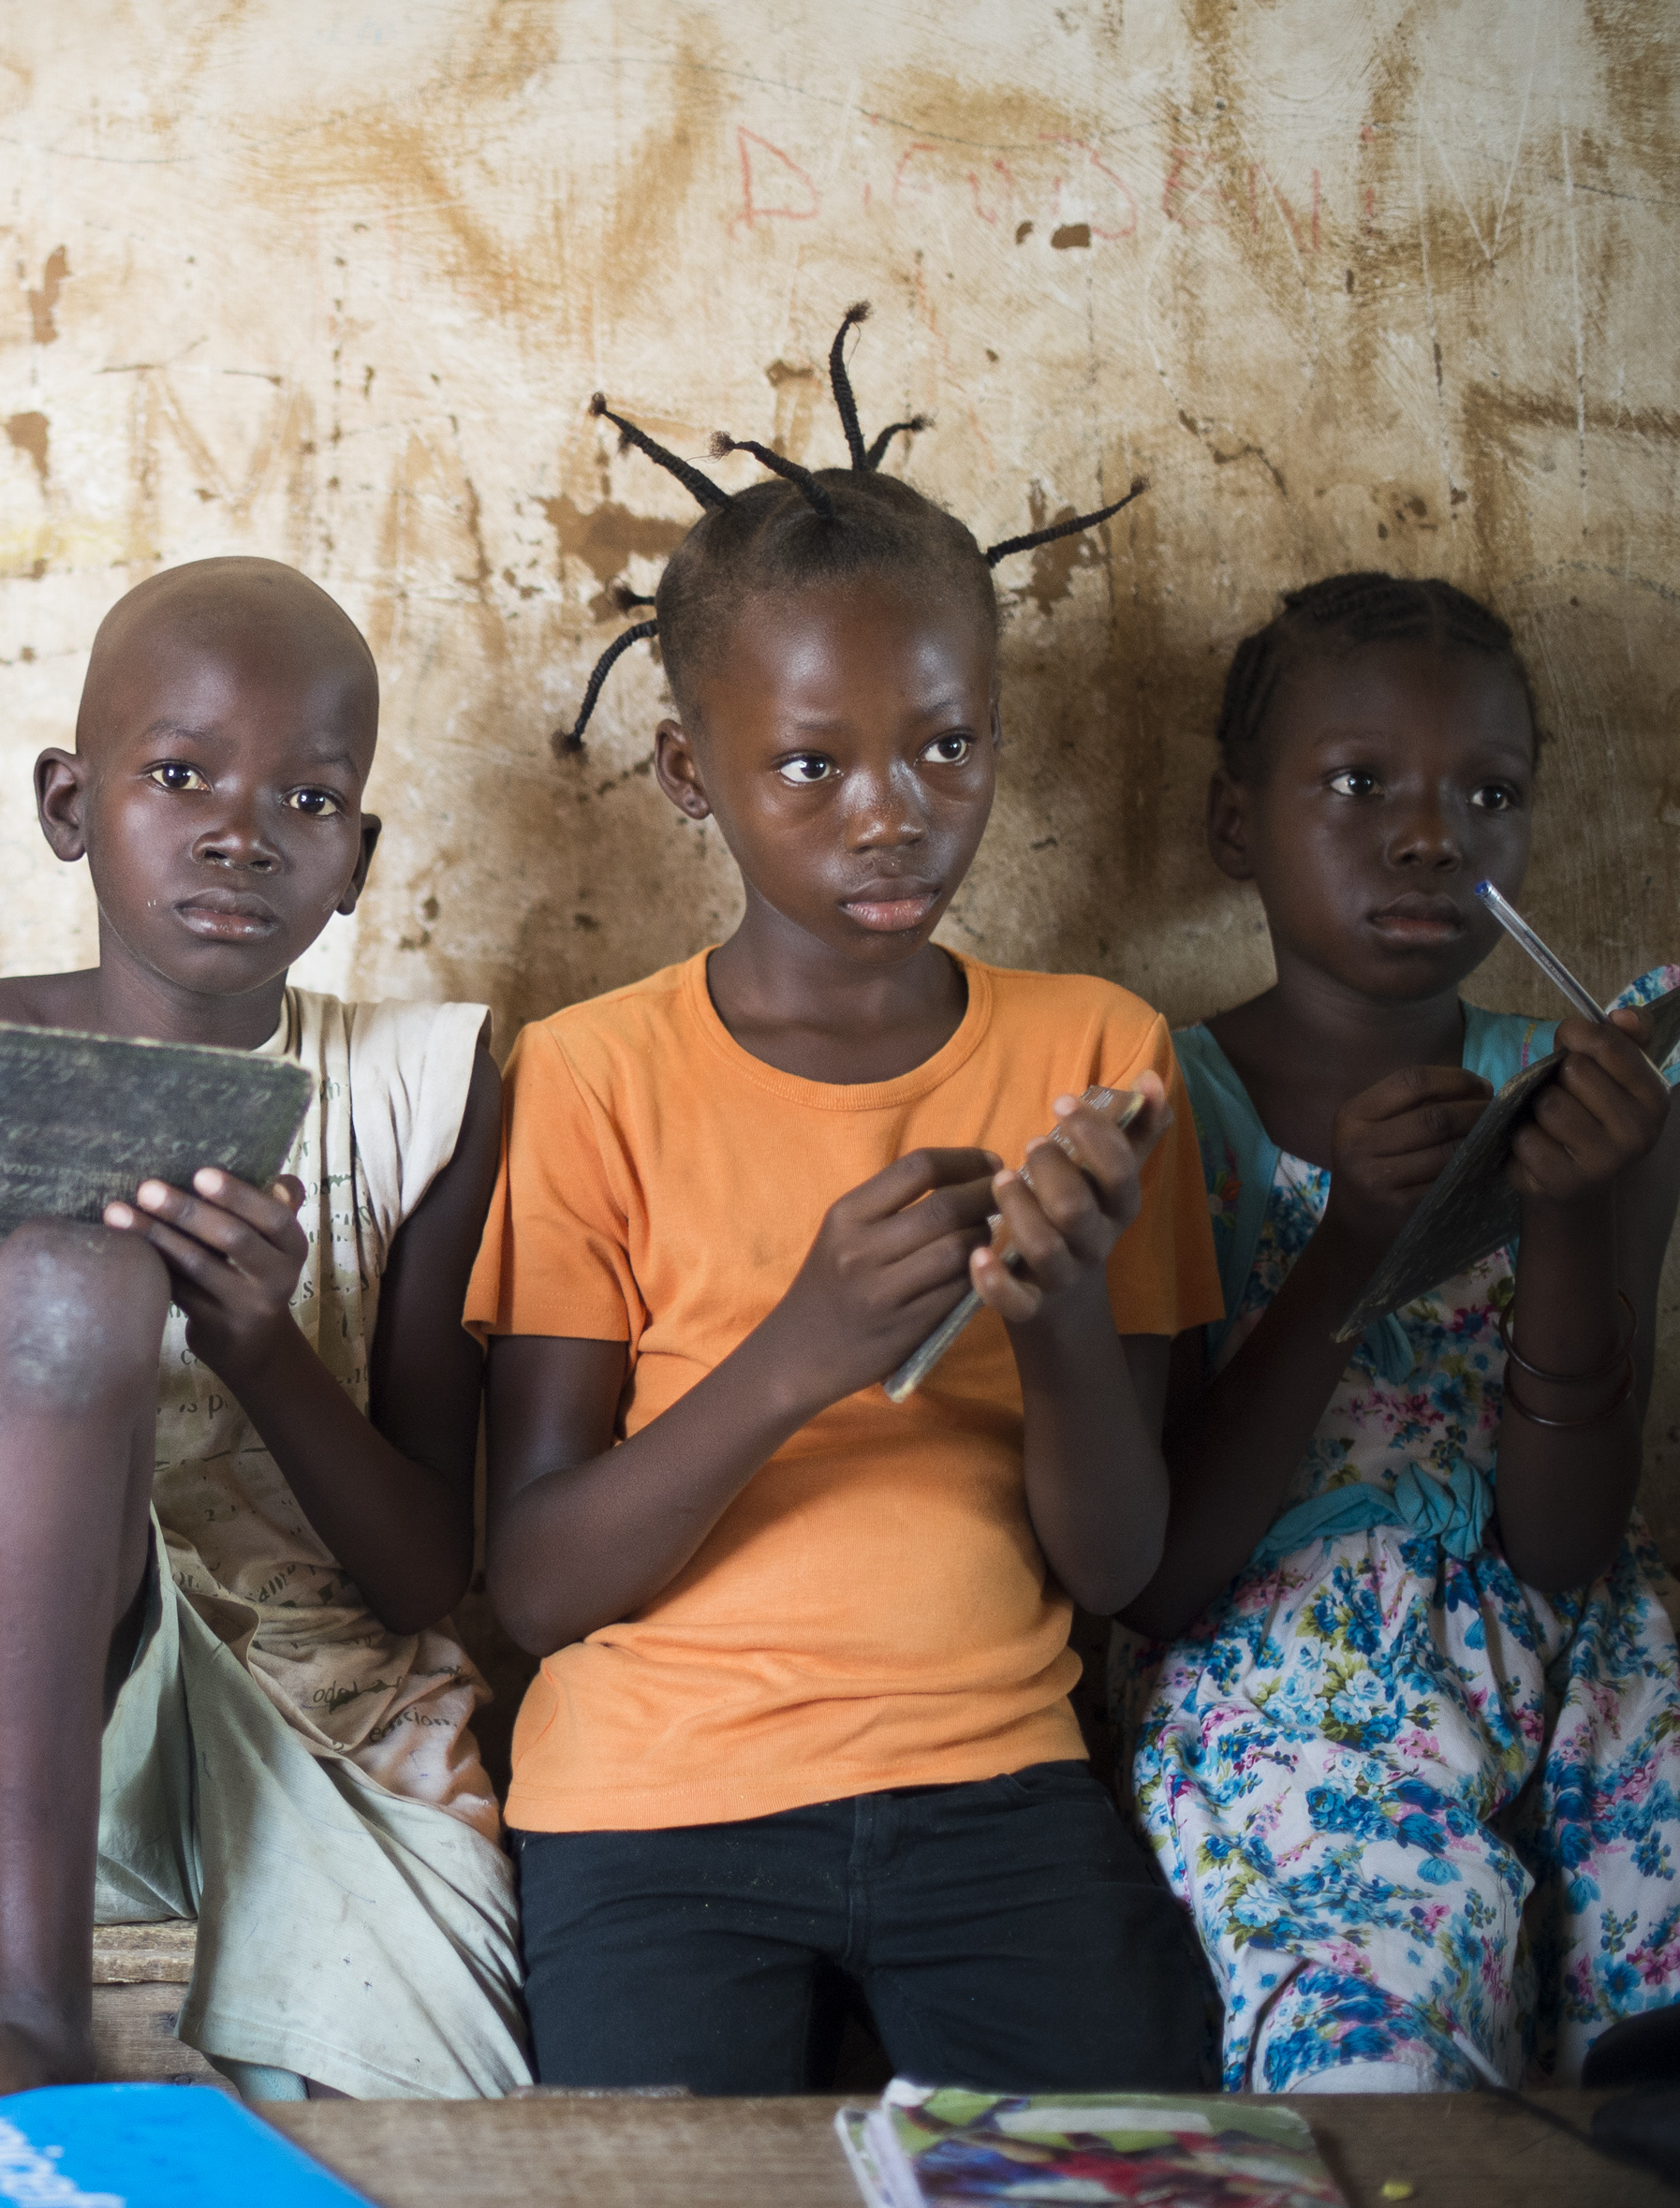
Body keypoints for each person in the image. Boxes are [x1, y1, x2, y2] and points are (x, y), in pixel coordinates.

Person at [468, 306, 1219, 2094]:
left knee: (1120, 2161)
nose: (889, 811)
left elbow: (1122, 1565)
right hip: (649, 1801)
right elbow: (533, 1584)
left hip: (992, 1777)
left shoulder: (1096, 1052)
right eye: (811, 764)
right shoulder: (590, 1072)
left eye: (944, 746)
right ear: (687, 772)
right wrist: (799, 1349)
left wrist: (1047, 1309)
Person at [0, 555, 526, 2108]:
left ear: (358, 852)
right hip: (18, 1714)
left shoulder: (428, 1086)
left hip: (333, 1718)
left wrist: (262, 1343)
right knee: (69, 1290)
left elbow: (418, 1575)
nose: (239, 832)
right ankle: (32, 2005)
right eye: (177, 772)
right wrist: (56, 1340)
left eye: (307, 798)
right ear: (71, 804)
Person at [1116, 574, 1680, 2091]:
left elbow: (1563, 1543)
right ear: (1236, 824)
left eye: (1484, 792)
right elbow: (1161, 1574)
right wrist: (1356, 1244)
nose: (1430, 833)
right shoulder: (1163, 1104)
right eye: (1358, 782)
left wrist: (1563, 1207)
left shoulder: (1596, 1098)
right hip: (1287, 1678)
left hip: (1595, 1665)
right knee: (1377, 2065)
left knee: (1657, 2047)